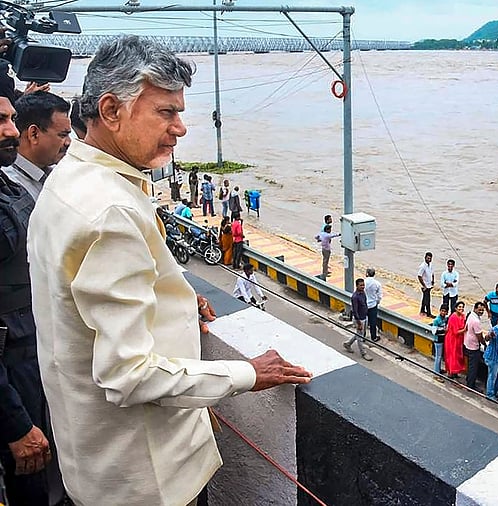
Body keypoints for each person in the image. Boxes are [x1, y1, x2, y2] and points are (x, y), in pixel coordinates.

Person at [26, 36, 314, 505]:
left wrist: (174, 300)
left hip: (94, 462)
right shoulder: (110, 210)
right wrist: (245, 374)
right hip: (148, 478)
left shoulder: (67, 179)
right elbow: (130, 375)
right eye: (165, 112)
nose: (180, 128)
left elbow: (85, 302)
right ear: (112, 110)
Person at [0, 92, 68, 505]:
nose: (10, 130)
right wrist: (15, 424)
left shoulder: (9, 185)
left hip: (33, 359)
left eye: (9, 118)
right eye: (1, 121)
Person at [2, 91, 71, 200]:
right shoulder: (9, 187)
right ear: (33, 134)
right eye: (62, 135)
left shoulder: (57, 174)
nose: (68, 142)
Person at [342, 278, 373, 361]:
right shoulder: (355, 297)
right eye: (361, 285)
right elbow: (355, 311)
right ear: (357, 286)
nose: (363, 287)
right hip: (359, 319)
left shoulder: (363, 293)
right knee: (360, 337)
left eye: (363, 285)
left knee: (360, 334)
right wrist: (359, 323)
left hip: (364, 317)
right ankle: (364, 353)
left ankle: (348, 344)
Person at [482, 315, 498, 401]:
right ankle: (490, 394)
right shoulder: (494, 330)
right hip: (492, 356)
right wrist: (490, 336)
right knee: (492, 376)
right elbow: (486, 338)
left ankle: (495, 391)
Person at [463, 302, 487, 391]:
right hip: (473, 346)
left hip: (467, 343)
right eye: (479, 309)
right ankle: (470, 386)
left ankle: (469, 380)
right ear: (475, 309)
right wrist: (484, 343)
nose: (481, 311)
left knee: (470, 365)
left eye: (482, 310)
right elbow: (479, 335)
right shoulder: (476, 321)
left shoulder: (470, 315)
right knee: (473, 367)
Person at [444, 301, 466, 379]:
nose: (461, 308)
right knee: (451, 355)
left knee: (458, 356)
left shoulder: (463, 316)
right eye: (459, 307)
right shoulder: (453, 317)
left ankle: (455, 372)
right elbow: (456, 332)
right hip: (452, 339)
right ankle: (450, 372)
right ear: (456, 308)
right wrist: (465, 329)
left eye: (462, 307)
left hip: (459, 339)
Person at [431, 304, 449, 381]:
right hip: (438, 340)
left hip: (442, 340)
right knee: (438, 357)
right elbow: (434, 331)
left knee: (440, 356)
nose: (443, 313)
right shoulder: (436, 320)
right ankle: (436, 374)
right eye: (442, 311)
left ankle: (438, 369)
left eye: (445, 311)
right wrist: (443, 330)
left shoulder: (445, 319)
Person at [364, 267, 383, 342]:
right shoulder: (377, 284)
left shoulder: (363, 282)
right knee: (373, 322)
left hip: (364, 305)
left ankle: (363, 336)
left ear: (367, 274)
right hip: (372, 305)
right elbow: (379, 296)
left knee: (363, 321)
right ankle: (373, 337)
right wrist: (377, 302)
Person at [417, 251, 435, 317]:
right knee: (427, 299)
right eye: (428, 258)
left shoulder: (430, 265)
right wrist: (424, 285)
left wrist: (433, 280)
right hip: (425, 285)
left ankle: (422, 310)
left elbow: (432, 273)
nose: (429, 260)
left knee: (425, 298)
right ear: (425, 258)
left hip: (429, 284)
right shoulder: (423, 266)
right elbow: (419, 276)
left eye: (430, 258)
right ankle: (429, 313)